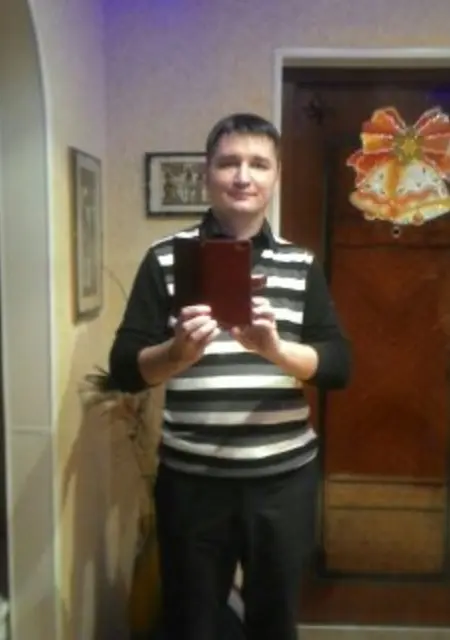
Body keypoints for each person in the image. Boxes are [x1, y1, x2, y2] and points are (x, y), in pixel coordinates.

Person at [109, 113, 351, 640]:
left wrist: (275, 350)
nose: (243, 176)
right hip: (192, 483)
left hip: (283, 483)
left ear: (276, 176)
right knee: (191, 625)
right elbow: (124, 368)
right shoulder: (164, 259)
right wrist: (176, 354)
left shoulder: (301, 264)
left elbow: (338, 366)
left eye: (259, 164)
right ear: (207, 172)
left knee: (274, 624)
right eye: (229, 163)